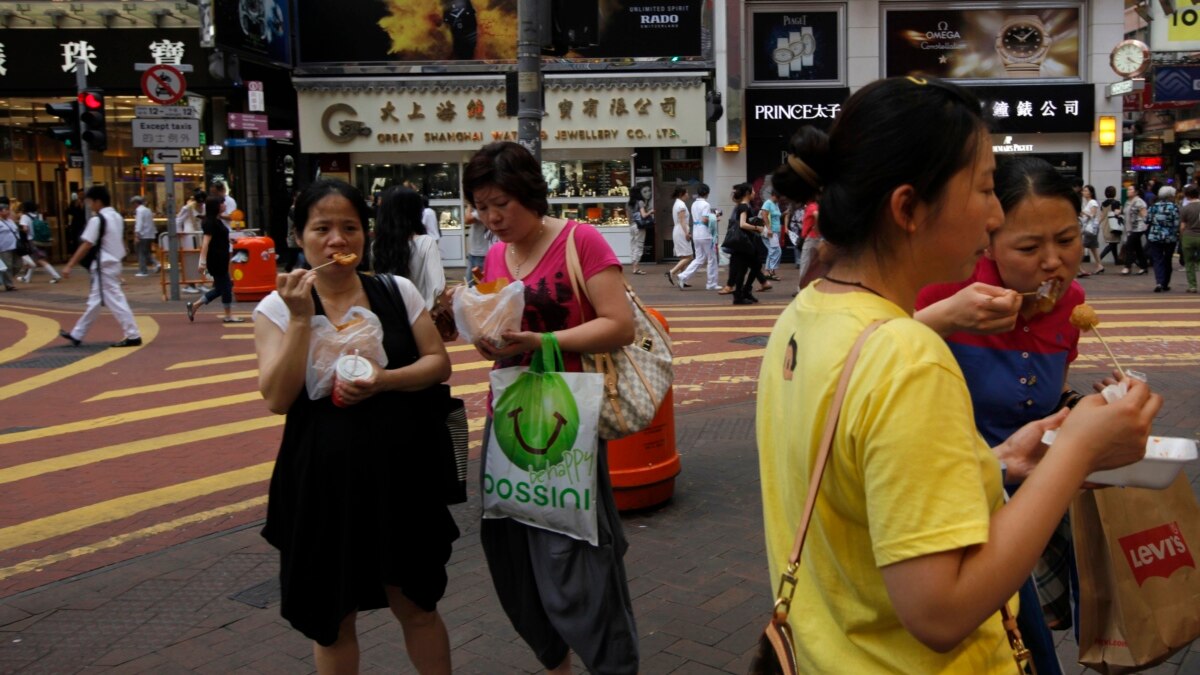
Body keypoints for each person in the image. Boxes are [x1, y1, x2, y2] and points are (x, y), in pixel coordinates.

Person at [757, 76, 1159, 673]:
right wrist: (1076, 451)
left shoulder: (807, 313)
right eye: (984, 188)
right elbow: (940, 611)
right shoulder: (908, 357)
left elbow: (865, 492)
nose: (995, 215)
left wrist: (996, 463)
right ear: (908, 208)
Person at [253, 178, 458, 673]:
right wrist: (302, 319)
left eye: (349, 227)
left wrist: (385, 380)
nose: (337, 240)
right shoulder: (277, 308)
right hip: (322, 483)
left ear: (365, 234)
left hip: (401, 476)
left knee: (418, 605)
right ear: (298, 236)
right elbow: (278, 398)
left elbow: (438, 363)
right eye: (321, 228)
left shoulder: (396, 290)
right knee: (332, 617)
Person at [465, 141, 638, 675]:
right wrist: (489, 338)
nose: (492, 218)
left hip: (569, 420)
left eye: (502, 204)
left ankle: (611, 664)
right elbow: (504, 329)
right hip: (511, 415)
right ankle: (554, 661)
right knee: (511, 548)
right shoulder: (496, 254)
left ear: (530, 195)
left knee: (577, 554)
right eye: (481, 206)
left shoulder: (579, 240)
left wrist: (541, 344)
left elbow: (620, 324)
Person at [915, 156, 1090, 674]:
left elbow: (1051, 399)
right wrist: (938, 320)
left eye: (1067, 239)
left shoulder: (1073, 303)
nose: (1054, 261)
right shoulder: (950, 294)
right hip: (966, 504)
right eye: (1029, 248)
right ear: (989, 241)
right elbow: (867, 357)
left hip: (1040, 495)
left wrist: (1086, 412)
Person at [59, 186, 143, 347]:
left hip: (104, 265)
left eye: (90, 202)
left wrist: (70, 264)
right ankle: (77, 334)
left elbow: (86, 244)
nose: (90, 205)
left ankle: (133, 334)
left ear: (98, 201)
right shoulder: (116, 217)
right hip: (112, 264)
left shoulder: (97, 220)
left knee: (116, 301)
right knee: (95, 302)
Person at [373, 186, 446, 310]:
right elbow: (438, 289)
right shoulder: (426, 243)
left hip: (390, 320)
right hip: (422, 319)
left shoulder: (376, 246)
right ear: (416, 212)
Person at [186, 197, 242, 323]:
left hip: (220, 258)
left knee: (220, 288)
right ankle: (228, 315)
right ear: (216, 206)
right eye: (221, 203)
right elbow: (205, 243)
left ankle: (194, 306)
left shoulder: (217, 220)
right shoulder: (210, 222)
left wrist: (229, 240)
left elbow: (219, 236)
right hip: (216, 259)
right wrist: (202, 262)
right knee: (226, 287)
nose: (224, 204)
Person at [726, 182, 765, 305]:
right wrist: (757, 228)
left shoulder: (743, 206)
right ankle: (740, 294)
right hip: (744, 243)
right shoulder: (744, 206)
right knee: (747, 268)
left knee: (752, 267)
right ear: (747, 193)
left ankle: (743, 292)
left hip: (745, 243)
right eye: (753, 191)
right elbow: (742, 224)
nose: (754, 193)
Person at [678, 183, 719, 290]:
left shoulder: (694, 204)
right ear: (707, 193)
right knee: (712, 259)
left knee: (699, 258)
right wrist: (715, 217)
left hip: (696, 233)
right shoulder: (706, 204)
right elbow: (705, 220)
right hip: (705, 234)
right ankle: (711, 283)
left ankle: (683, 276)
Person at [15, 201, 62, 284]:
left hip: (32, 240)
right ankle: (27, 278)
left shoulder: (24, 216)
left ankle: (55, 275)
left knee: (40, 259)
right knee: (34, 259)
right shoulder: (38, 215)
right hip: (41, 240)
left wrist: (20, 230)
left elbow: (25, 229)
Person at [1146, 184, 1180, 292]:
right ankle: (1165, 283)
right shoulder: (1174, 207)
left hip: (1155, 236)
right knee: (1167, 259)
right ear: (1170, 195)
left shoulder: (1153, 207)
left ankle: (1159, 282)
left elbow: (1147, 220)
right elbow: (1176, 223)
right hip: (1170, 237)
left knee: (1157, 260)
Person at [665, 185, 692, 286]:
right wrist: (687, 233)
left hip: (678, 230)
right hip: (681, 231)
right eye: (687, 193)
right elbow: (682, 220)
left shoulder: (677, 203)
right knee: (689, 257)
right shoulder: (681, 205)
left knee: (683, 257)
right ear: (682, 194)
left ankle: (682, 280)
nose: (688, 195)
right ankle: (672, 272)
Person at [1122, 184, 1149, 275]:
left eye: (1130, 189)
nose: (1128, 191)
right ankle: (1144, 266)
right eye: (1128, 189)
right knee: (1138, 248)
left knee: (1129, 245)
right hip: (1130, 228)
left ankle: (1127, 266)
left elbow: (1144, 215)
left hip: (1138, 227)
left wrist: (1146, 224)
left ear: (1136, 192)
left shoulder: (1139, 202)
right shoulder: (1127, 202)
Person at [626, 184, 652, 275]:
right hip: (639, 227)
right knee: (639, 246)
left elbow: (628, 217)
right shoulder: (640, 202)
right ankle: (636, 268)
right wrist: (650, 212)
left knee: (633, 245)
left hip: (631, 226)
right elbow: (644, 215)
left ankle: (634, 266)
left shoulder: (628, 204)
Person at [1078, 185, 1103, 276]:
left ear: (1090, 193)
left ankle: (1078, 268)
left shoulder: (1092, 202)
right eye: (1083, 190)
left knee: (1082, 248)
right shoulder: (1088, 203)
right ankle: (1099, 265)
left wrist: (1082, 211)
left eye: (1085, 191)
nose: (1083, 192)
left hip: (1090, 229)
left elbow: (1092, 215)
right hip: (1090, 228)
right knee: (1093, 248)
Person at [759, 186, 783, 280]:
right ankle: (771, 270)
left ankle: (768, 272)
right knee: (776, 250)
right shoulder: (768, 203)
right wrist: (769, 229)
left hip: (776, 231)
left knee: (772, 250)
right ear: (773, 195)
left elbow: (776, 216)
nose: (778, 199)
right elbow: (764, 215)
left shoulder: (775, 204)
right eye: (777, 197)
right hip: (771, 231)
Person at [132, 196, 159, 277]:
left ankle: (143, 270)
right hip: (150, 234)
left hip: (143, 234)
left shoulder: (139, 211)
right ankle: (156, 263)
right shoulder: (148, 210)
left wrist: (137, 234)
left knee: (141, 252)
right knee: (146, 251)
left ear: (136, 203)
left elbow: (139, 223)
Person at [464, 203, 490, 285]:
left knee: (479, 285)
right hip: (474, 253)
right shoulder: (476, 210)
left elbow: (467, 219)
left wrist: (469, 204)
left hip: (481, 254)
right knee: (470, 284)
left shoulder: (483, 210)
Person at [1098, 186, 1124, 268]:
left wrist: (1097, 224)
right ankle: (1098, 259)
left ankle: (1116, 260)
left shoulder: (1103, 204)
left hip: (1105, 225)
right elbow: (1118, 213)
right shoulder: (1116, 203)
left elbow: (1102, 216)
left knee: (1113, 243)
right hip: (1114, 225)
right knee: (1112, 245)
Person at [1182, 184, 1200, 293]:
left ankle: (1192, 285)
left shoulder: (1185, 208)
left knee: (1188, 262)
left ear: (1187, 195)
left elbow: (1183, 226)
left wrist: (1181, 236)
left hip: (1188, 236)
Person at [0, 197, 19, 290]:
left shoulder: (10, 221)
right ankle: (9, 285)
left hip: (16, 246)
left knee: (18, 265)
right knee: (8, 266)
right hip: (4, 247)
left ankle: (6, 279)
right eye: (6, 210)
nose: (8, 212)